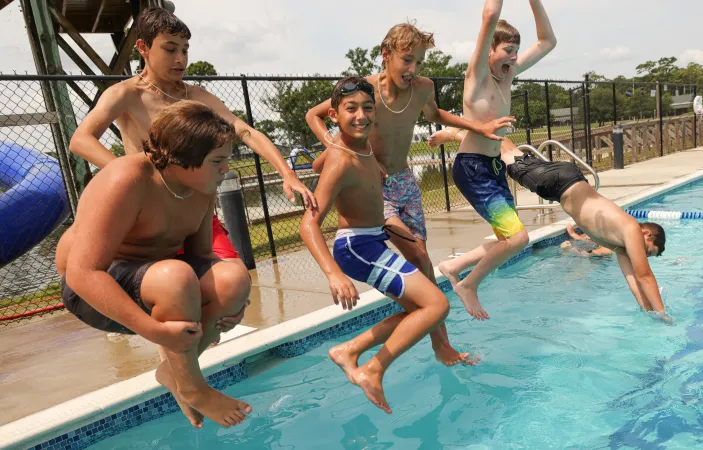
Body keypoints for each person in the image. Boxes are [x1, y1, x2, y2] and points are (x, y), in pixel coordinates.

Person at [306, 22, 511, 364]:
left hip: (404, 182)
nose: (413, 69)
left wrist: (479, 127)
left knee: (423, 259)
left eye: (418, 61)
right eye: (407, 60)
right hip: (375, 185)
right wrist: (340, 149)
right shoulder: (366, 92)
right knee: (414, 254)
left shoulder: (422, 88)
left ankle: (438, 339)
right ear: (386, 55)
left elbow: (435, 114)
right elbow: (314, 115)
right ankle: (437, 342)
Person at [55, 101, 253, 428]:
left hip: (156, 283)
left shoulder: (199, 188)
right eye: (217, 161)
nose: (225, 170)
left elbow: (202, 257)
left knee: (233, 278)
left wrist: (228, 305)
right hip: (90, 293)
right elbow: (81, 273)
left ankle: (172, 372)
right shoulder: (127, 179)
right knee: (175, 277)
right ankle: (192, 387)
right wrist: (154, 331)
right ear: (181, 158)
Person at [69, 7, 317, 264]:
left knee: (233, 279)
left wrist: (288, 174)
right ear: (143, 48)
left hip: (195, 208)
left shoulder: (196, 96)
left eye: (185, 50)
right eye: (170, 49)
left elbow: (245, 131)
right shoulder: (125, 94)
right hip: (150, 212)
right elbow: (81, 140)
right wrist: (136, 178)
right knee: (172, 288)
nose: (181, 59)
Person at [300, 77, 451, 414]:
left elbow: (316, 164)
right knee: (436, 306)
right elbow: (308, 224)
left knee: (420, 312)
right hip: (357, 247)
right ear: (334, 115)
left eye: (368, 108)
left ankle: (349, 351)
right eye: (350, 109)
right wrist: (333, 274)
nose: (361, 115)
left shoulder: (360, 147)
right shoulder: (341, 158)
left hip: (373, 238)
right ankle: (373, 368)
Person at [431, 128, 671, 321]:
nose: (644, 255)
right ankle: (455, 133)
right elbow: (645, 276)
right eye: (649, 251)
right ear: (647, 233)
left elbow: (634, 282)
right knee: (504, 155)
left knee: (508, 153)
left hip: (566, 182)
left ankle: (454, 266)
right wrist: (665, 314)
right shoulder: (630, 228)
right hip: (560, 184)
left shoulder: (619, 247)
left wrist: (651, 314)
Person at [436, 0, 557, 321]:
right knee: (519, 238)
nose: (513, 57)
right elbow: (490, 14)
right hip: (472, 168)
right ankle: (468, 285)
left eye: (516, 50)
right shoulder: (476, 76)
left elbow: (548, 42)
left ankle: (454, 266)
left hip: (492, 168)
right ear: (490, 49)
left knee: (508, 239)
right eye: (507, 50)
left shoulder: (509, 74)